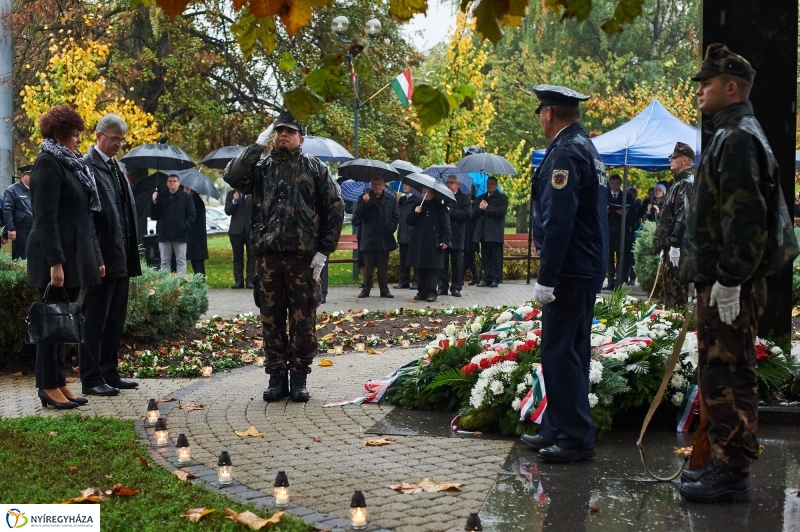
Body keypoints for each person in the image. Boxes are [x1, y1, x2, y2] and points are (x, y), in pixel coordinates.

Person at [679, 43, 798, 504]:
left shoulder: (739, 137)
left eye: (706, 84)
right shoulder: (732, 134)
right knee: (719, 374)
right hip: (724, 281)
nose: (700, 92)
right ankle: (728, 467)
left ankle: (732, 472)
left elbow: (745, 218)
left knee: (729, 376)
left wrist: (730, 279)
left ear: (731, 87)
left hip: (731, 284)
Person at [223, 110, 344, 403]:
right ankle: (276, 377)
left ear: (300, 138)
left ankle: (299, 378)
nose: (283, 136)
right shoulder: (261, 168)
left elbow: (335, 208)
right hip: (268, 259)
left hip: (302, 259)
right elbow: (232, 176)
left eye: (289, 132)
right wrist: (256, 146)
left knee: (303, 320)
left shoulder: (315, 168)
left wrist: (323, 251)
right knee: (271, 319)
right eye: (279, 131)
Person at [525, 84, 608, 463]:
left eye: (539, 112)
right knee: (570, 350)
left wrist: (548, 276)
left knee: (560, 352)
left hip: (570, 270)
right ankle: (558, 427)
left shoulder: (566, 152)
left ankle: (574, 437)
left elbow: (559, 221)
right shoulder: (585, 147)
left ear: (548, 113)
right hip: (583, 267)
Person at [27, 104, 104, 409]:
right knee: (51, 324)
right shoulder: (47, 164)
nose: (77, 141)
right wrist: (55, 263)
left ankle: (58, 381)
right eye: (73, 135)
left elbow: (82, 216)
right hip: (54, 257)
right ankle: (47, 386)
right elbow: (45, 219)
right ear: (59, 134)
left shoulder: (70, 164)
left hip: (73, 256)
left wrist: (93, 255)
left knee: (63, 321)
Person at [79, 113, 142, 397]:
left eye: (122, 139)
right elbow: (87, 219)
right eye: (114, 138)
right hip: (101, 259)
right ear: (99, 136)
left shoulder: (117, 167)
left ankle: (109, 373)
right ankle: (92, 379)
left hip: (121, 256)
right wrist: (96, 257)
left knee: (115, 318)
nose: (119, 144)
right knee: (94, 320)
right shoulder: (87, 166)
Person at [654, 142, 695, 309]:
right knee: (669, 295)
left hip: (678, 247)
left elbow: (682, 216)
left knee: (677, 296)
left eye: (674, 157)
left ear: (685, 160)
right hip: (670, 246)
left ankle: (678, 331)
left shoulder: (687, 182)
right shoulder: (678, 182)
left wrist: (675, 245)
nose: (671, 159)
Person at [354, 176, 398, 298]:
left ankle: (384, 290)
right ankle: (366, 289)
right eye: (374, 184)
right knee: (368, 266)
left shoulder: (391, 199)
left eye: (379, 184)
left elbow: (395, 217)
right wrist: (364, 203)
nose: (377, 187)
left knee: (383, 266)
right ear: (371, 185)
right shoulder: (363, 197)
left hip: (384, 237)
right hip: (369, 237)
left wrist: (390, 228)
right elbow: (358, 216)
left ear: (383, 185)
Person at [406, 186, 451, 302]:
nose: (427, 194)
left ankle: (432, 292)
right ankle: (421, 291)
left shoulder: (440, 207)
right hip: (419, 241)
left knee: (432, 268)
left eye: (429, 192)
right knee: (420, 267)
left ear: (434, 193)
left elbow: (445, 225)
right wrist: (415, 213)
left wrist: (445, 240)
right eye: (424, 192)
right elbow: (409, 221)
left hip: (433, 241)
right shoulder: (418, 205)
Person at [150, 173, 195, 275]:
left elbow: (192, 215)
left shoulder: (186, 198)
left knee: (181, 260)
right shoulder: (161, 197)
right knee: (164, 261)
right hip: (164, 233)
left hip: (180, 234)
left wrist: (183, 227)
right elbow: (154, 216)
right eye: (170, 181)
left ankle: (181, 283)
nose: (172, 184)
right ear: (167, 183)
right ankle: (166, 284)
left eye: (174, 181)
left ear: (179, 183)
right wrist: (153, 202)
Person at [438, 175, 472, 297]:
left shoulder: (464, 198)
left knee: (457, 263)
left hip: (457, 235)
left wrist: (450, 211)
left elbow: (468, 214)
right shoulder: (442, 197)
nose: (449, 185)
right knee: (442, 262)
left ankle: (456, 287)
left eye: (452, 182)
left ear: (458, 184)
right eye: (447, 182)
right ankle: (442, 286)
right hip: (444, 234)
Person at [472, 177, 507, 287]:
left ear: (496, 185)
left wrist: (488, 208)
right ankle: (486, 278)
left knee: (496, 257)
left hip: (495, 233)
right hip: (484, 233)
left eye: (492, 184)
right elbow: (474, 214)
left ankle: (495, 279)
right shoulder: (481, 198)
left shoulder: (502, 198)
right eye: (488, 184)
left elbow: (501, 212)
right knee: (486, 257)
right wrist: (480, 207)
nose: (489, 186)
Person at [225, 189, 255, 289]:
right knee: (237, 257)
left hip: (250, 230)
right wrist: (234, 201)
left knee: (252, 256)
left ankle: (250, 280)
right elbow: (227, 211)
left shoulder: (254, 193)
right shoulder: (231, 194)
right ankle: (239, 281)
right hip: (236, 230)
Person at [2, 164, 34, 259]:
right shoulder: (12, 190)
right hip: (21, 229)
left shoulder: (35, 190)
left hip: (34, 228)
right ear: (23, 176)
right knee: (21, 256)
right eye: (30, 175)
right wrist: (11, 228)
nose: (33, 178)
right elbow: (7, 209)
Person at [394, 184, 419, 290]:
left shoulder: (417, 199)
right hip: (403, 231)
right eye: (403, 184)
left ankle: (416, 281)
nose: (405, 186)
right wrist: (396, 202)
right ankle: (404, 280)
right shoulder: (402, 199)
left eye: (407, 184)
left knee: (415, 258)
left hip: (413, 232)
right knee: (403, 258)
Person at [184, 186, 208, 277]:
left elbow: (192, 216)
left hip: (196, 236)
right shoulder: (193, 200)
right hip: (195, 236)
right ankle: (199, 280)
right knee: (196, 261)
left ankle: (200, 281)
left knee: (197, 262)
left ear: (189, 189)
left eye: (185, 188)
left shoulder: (195, 201)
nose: (183, 189)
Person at [463, 186, 480, 285]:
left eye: (470, 189)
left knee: (469, 255)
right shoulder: (464, 200)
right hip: (465, 232)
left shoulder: (476, 201)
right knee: (469, 256)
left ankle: (460, 277)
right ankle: (476, 277)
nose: (469, 191)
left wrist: (472, 205)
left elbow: (473, 215)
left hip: (472, 232)